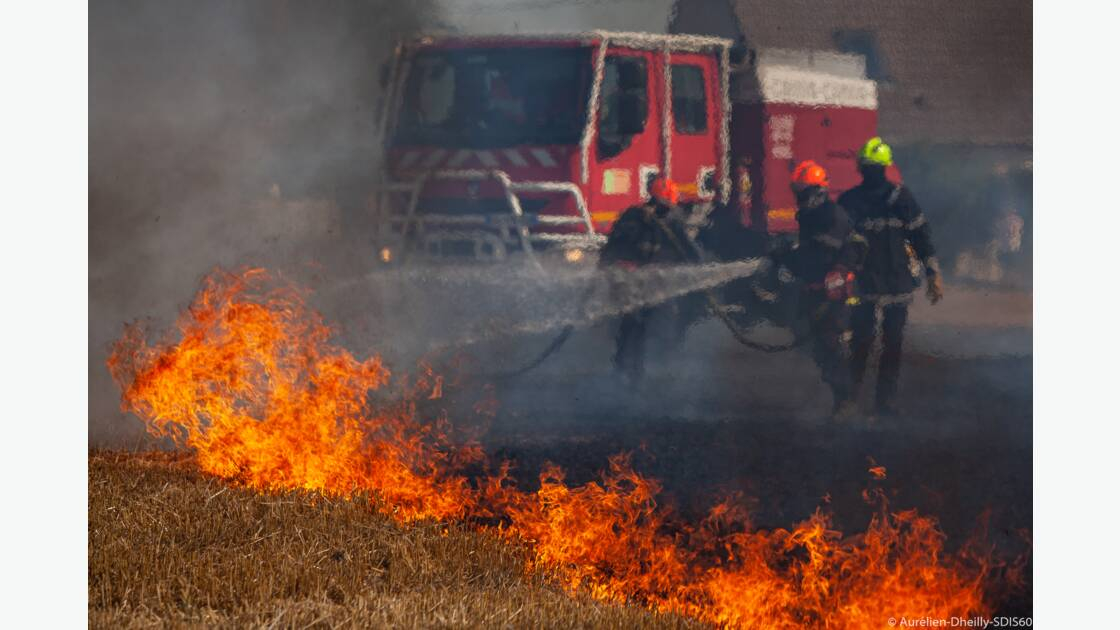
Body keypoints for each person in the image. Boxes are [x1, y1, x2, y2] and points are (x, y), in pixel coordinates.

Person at [839, 137, 943, 417]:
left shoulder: (890, 199)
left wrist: (933, 271)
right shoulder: (855, 201)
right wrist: (932, 272)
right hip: (875, 282)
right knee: (872, 344)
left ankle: (873, 403)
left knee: (880, 344)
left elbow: (921, 236)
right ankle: (858, 401)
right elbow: (922, 237)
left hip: (884, 282)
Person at [780, 160, 867, 419]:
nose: (799, 198)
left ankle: (846, 401)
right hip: (817, 291)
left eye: (804, 192)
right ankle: (841, 396)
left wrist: (788, 257)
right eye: (798, 192)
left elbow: (818, 254)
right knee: (818, 346)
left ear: (818, 191)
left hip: (833, 295)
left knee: (831, 345)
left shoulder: (830, 216)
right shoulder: (811, 216)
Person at [599, 178, 700, 382]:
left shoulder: (632, 216)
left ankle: (628, 372)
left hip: (636, 284)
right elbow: (691, 255)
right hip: (646, 285)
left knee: (632, 328)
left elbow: (609, 251)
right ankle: (641, 374)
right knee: (648, 327)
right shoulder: (667, 223)